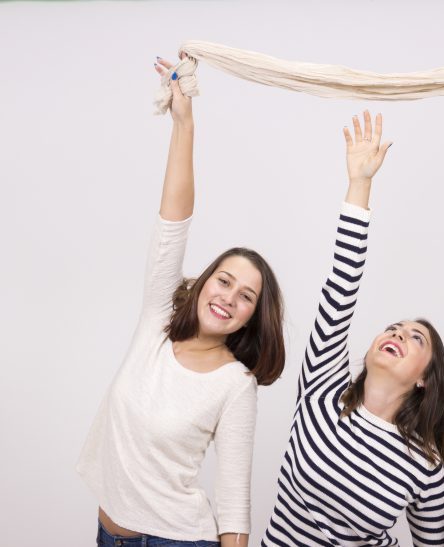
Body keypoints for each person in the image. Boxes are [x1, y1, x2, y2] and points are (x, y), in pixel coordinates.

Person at [77, 57, 285, 547]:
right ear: (203, 282)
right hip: (109, 535)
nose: (228, 297)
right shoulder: (159, 321)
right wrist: (184, 122)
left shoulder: (235, 385)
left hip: (173, 540)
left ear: (251, 318)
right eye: (224, 281)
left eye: (246, 296)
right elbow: (173, 221)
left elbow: (233, 498)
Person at [262, 111, 444, 546]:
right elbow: (341, 285)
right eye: (394, 328)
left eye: (416, 338)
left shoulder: (423, 465)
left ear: (425, 378)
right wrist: (360, 183)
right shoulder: (321, 389)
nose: (398, 334)